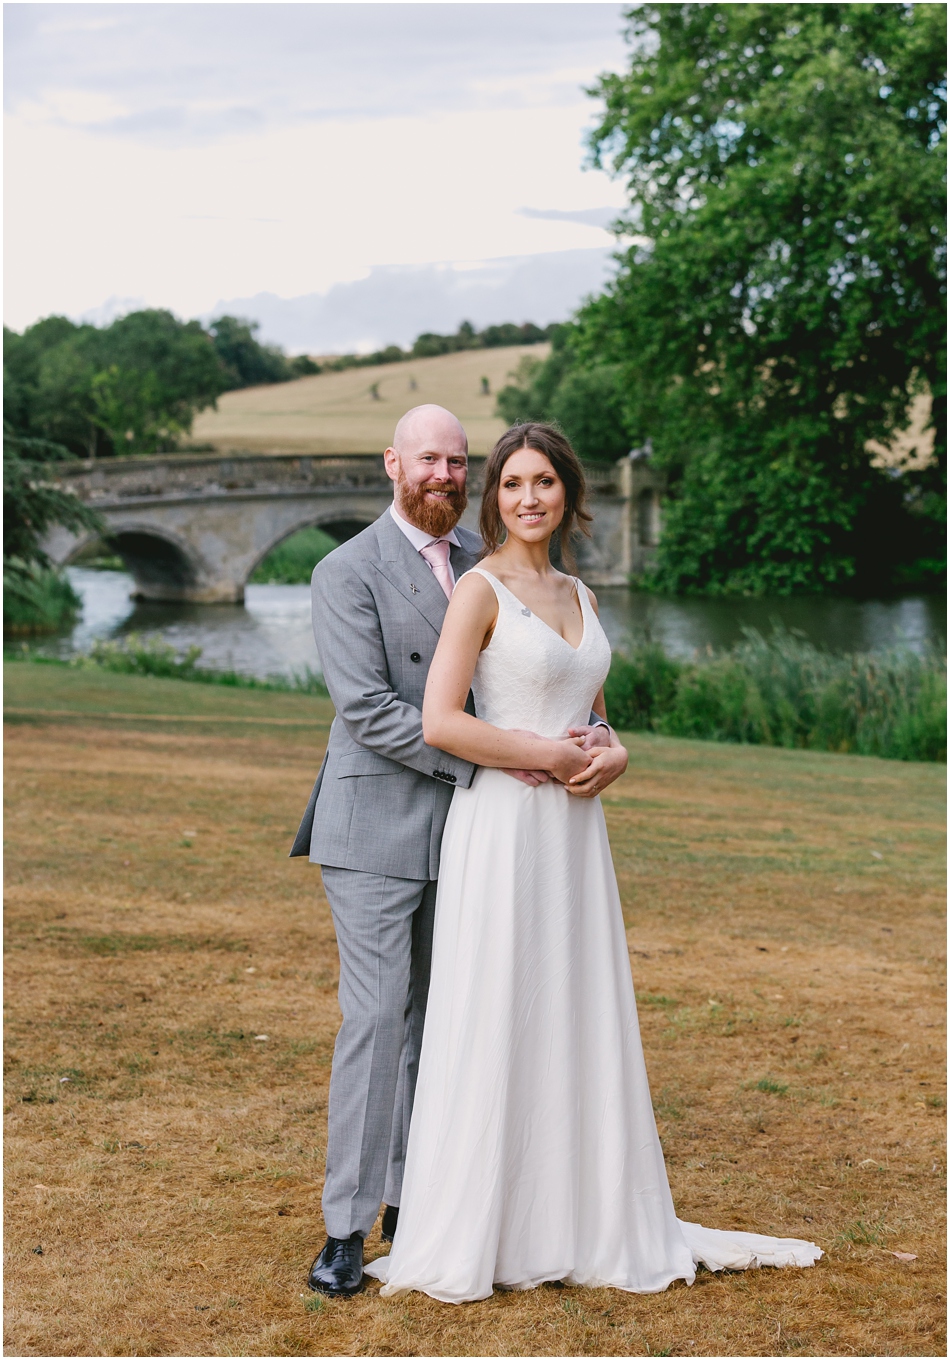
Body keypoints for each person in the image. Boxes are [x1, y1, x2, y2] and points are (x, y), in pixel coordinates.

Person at [364, 422, 822, 1302]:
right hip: (504, 827)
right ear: (494, 499)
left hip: (575, 835)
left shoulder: (582, 592)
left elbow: (598, 714)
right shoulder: (477, 589)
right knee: (504, 1004)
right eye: (510, 485)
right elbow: (438, 721)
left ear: (569, 493)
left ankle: (585, 1211)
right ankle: (492, 1221)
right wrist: (530, 748)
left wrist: (615, 754)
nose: (527, 498)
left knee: (572, 1003)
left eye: (543, 482)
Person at [290, 405, 624, 1298]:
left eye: (457, 461)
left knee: (451, 1020)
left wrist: (593, 744)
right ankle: (346, 1229)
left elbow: (549, 687)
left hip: (482, 835)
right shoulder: (343, 569)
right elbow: (366, 709)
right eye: (428, 459)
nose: (444, 474)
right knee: (376, 1022)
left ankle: (424, 1199)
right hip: (377, 827)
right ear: (393, 463)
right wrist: (508, 751)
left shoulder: (493, 570)